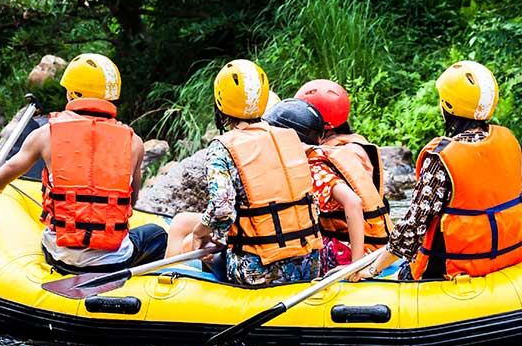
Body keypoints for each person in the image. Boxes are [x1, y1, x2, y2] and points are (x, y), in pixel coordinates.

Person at [0, 53, 167, 274]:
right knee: (157, 235)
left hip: (60, 257)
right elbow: (132, 200)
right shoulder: (134, 142)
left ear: (71, 93)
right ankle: (138, 287)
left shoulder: (46, 134)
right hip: (114, 262)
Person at [354, 61, 522, 281]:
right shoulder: (507, 141)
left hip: (450, 269)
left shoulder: (441, 158)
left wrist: (372, 270)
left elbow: (412, 229)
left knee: (405, 266)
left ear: (448, 106)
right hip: (508, 255)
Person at [165, 60, 320, 286]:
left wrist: (200, 235)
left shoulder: (222, 148)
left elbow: (221, 210)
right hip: (308, 263)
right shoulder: (288, 137)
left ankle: (167, 294)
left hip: (258, 271)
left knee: (193, 241)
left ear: (220, 101)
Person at [262, 98, 372, 275]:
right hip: (355, 246)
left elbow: (353, 202)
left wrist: (355, 265)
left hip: (347, 252)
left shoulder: (313, 168)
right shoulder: (312, 158)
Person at [294, 80, 393, 273]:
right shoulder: (356, 145)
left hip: (355, 250)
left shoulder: (323, 157)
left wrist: (354, 267)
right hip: (378, 244)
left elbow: (352, 203)